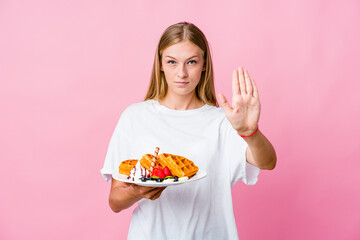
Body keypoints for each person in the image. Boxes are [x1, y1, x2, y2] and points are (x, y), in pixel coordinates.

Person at [101, 22, 276, 239]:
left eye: (191, 62)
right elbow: (115, 201)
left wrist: (250, 131)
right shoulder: (134, 117)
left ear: (204, 65)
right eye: (172, 62)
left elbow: (268, 162)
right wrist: (138, 192)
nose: (181, 73)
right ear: (161, 64)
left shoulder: (222, 121)